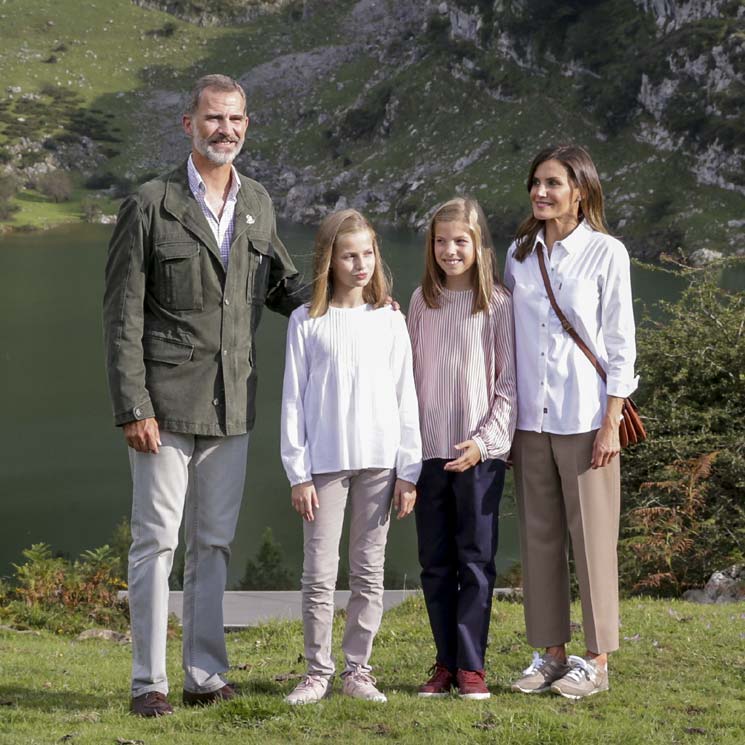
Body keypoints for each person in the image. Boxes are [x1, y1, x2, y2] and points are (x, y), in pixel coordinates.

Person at [103, 74, 307, 717]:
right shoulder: (150, 204)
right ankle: (148, 683)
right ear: (187, 124)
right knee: (157, 540)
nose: (227, 130)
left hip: (233, 402)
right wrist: (133, 405)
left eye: (237, 119)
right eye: (214, 119)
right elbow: (122, 314)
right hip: (162, 405)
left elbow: (283, 288)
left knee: (214, 543)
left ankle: (204, 675)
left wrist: (355, 300)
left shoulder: (258, 203)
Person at [504, 144, 638, 700]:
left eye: (553, 183)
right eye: (536, 181)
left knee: (593, 541)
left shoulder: (607, 253)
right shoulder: (517, 254)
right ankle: (550, 654)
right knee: (539, 538)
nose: (541, 191)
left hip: (586, 419)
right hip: (531, 420)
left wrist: (611, 422)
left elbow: (620, 345)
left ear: (580, 191)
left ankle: (598, 659)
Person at [280, 209, 422, 705]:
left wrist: (410, 470)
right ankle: (316, 672)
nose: (361, 264)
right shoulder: (307, 322)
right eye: (349, 256)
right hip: (324, 465)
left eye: (368, 254)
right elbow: (293, 401)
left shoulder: (388, 320)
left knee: (368, 570)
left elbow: (407, 397)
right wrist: (298, 473)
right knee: (319, 572)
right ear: (329, 260)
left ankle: (357, 670)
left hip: (381, 465)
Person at [408, 197, 517, 700]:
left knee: (475, 560)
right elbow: (403, 378)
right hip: (430, 450)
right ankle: (444, 662)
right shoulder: (419, 303)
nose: (450, 251)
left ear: (478, 245)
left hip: (478, 452)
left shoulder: (496, 303)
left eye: (460, 241)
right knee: (435, 562)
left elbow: (508, 386)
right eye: (441, 241)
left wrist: (484, 443)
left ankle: (472, 664)